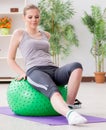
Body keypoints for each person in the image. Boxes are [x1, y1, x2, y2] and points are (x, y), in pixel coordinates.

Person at [7, 4, 87, 125]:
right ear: (24, 18)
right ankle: (70, 116)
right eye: (30, 17)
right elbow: (10, 59)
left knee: (77, 66)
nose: (34, 19)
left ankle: (69, 106)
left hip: (53, 69)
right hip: (35, 70)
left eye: (36, 16)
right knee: (53, 90)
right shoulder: (19, 34)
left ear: (40, 17)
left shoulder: (46, 35)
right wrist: (23, 73)